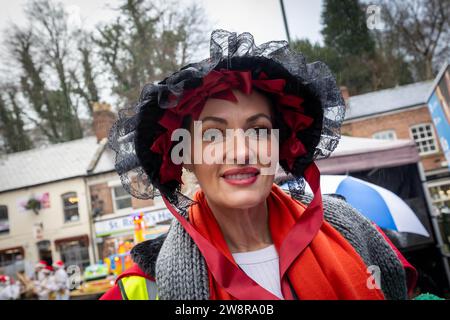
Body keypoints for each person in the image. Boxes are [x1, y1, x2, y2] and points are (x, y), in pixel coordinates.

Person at [101, 30, 415, 300]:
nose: (241, 152)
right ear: (184, 157)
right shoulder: (144, 286)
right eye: (213, 134)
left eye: (259, 130)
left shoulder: (352, 229)